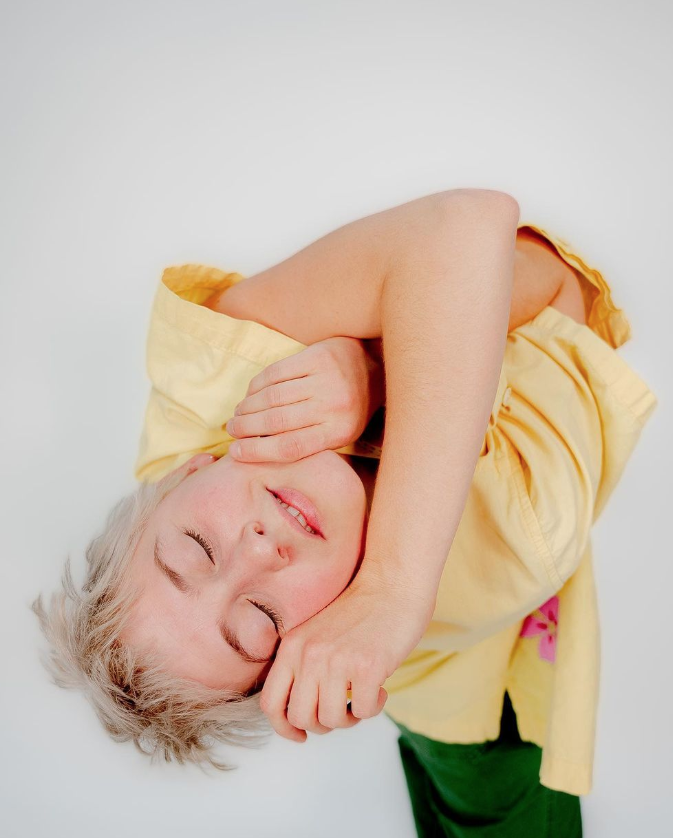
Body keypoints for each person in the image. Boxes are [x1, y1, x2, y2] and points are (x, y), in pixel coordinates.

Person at [33, 190, 657, 835]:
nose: (256, 550)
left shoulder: (214, 381)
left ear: (180, 477)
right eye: (259, 618)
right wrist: (397, 591)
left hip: (421, 629)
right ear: (315, 649)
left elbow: (469, 227)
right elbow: (555, 291)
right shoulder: (521, 534)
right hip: (441, 660)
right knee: (481, 760)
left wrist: (381, 375)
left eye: (196, 545)